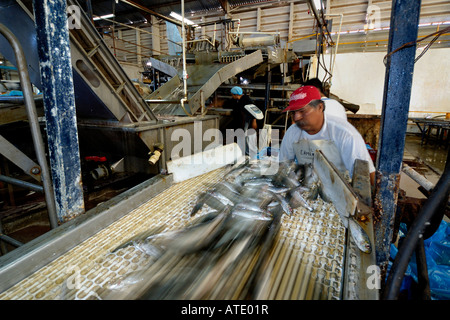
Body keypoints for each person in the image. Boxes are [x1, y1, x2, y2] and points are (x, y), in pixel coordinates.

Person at [279, 85, 375, 185]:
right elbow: (284, 166)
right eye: (293, 113)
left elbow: (366, 177)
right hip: (308, 190)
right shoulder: (293, 132)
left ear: (320, 107)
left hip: (341, 191)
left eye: (302, 111)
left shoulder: (345, 134)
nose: (296, 117)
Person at [228, 86, 259, 156]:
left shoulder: (246, 100)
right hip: (241, 123)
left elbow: (254, 110)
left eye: (232, 95)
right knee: (242, 139)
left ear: (236, 94)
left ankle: (252, 154)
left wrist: (254, 121)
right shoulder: (237, 101)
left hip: (248, 122)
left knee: (249, 139)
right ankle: (243, 154)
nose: (232, 96)